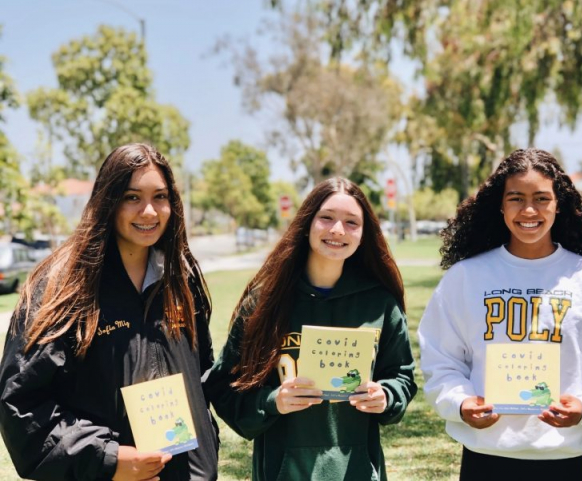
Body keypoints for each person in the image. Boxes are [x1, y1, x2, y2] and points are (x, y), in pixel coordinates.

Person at [0, 144, 218, 481]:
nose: (149, 211)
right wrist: (108, 458)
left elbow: (200, 375)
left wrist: (208, 443)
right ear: (108, 200)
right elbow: (22, 406)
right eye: (132, 197)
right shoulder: (63, 287)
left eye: (160, 196)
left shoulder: (181, 276)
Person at [417, 148, 582, 480]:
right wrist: (461, 404)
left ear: (558, 204)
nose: (529, 210)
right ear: (501, 205)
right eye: (516, 198)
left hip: (563, 458)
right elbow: (441, 359)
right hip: (485, 457)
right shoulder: (466, 277)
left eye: (541, 198)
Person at [205, 177, 417, 481]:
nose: (337, 230)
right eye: (326, 218)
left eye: (351, 222)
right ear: (307, 224)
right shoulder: (264, 302)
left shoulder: (379, 304)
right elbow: (224, 386)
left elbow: (402, 377)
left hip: (357, 470)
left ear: (363, 235)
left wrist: (386, 396)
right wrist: (272, 402)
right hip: (284, 471)